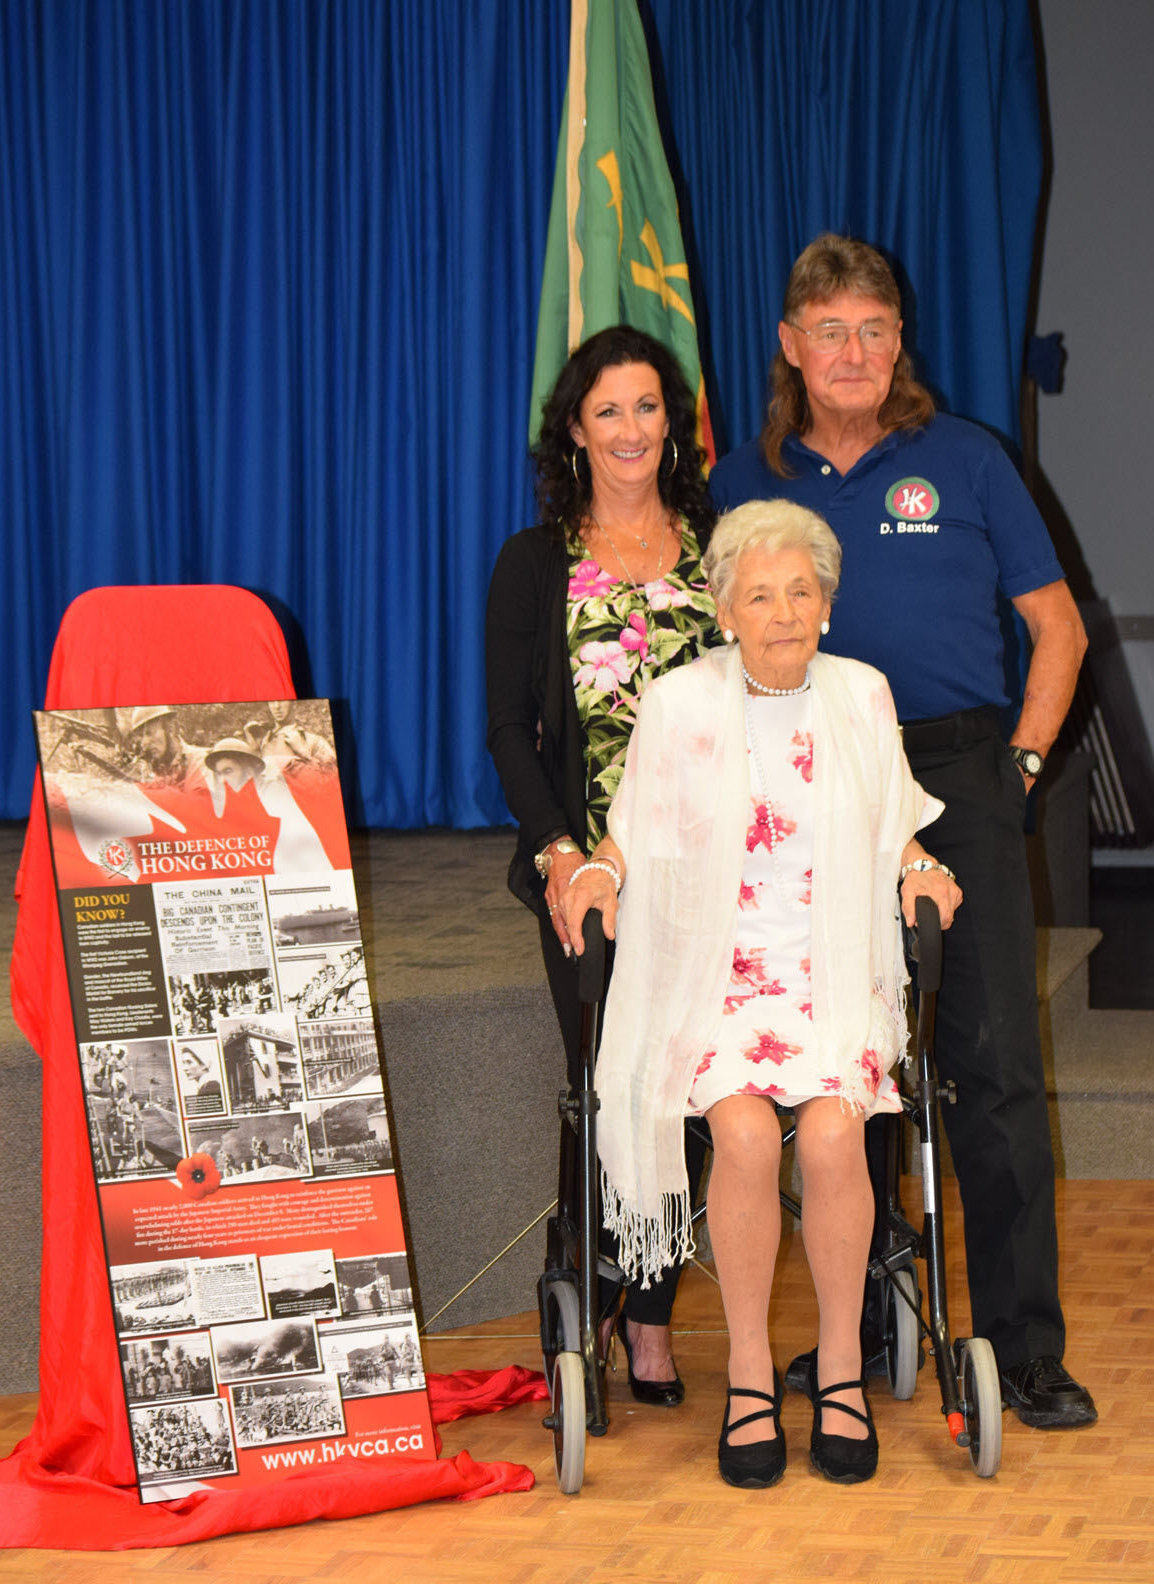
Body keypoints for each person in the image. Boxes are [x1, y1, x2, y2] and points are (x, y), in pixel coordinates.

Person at [709, 233, 1094, 1430]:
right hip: (806, 778)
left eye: (875, 329)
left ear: (899, 342)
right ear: (791, 346)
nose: (855, 352)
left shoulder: (966, 459)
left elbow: (1060, 628)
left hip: (960, 773)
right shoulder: (745, 481)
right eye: (831, 330)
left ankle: (1023, 1347)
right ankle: (864, 1327)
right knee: (844, 1068)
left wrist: (1017, 770)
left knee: (992, 1069)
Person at [563, 500, 959, 1486]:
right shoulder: (679, 703)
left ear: (827, 601)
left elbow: (892, 824)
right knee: (741, 1134)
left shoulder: (861, 694)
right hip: (718, 983)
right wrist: (599, 874)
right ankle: (747, 1369)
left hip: (831, 979)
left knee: (831, 1133)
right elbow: (634, 829)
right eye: (759, 595)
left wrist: (920, 869)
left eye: (800, 592)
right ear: (725, 607)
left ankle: (836, 1369)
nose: (782, 612)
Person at [485, 324, 718, 1405]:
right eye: (608, 410)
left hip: (712, 869)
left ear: (673, 424)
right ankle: (588, 1297)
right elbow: (507, 732)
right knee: (603, 1083)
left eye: (649, 407)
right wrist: (564, 859)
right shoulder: (536, 562)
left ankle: (656, 1315)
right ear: (575, 431)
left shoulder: (718, 543)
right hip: (588, 874)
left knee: (689, 1085)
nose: (632, 429)